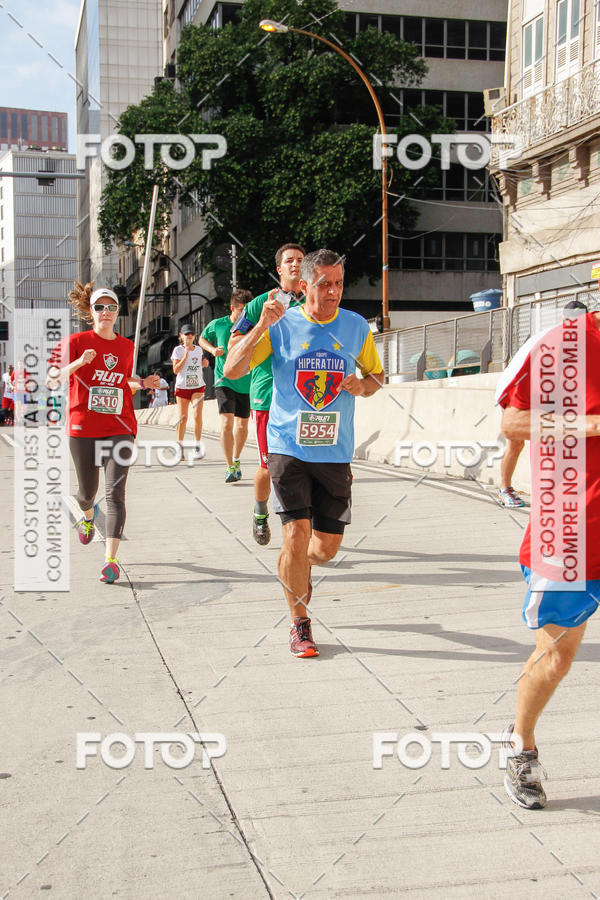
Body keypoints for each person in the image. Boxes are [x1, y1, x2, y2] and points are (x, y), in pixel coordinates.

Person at [224, 249, 384, 657]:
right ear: (304, 285)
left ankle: (301, 566)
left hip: (334, 451)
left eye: (339, 283)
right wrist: (260, 323)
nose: (333, 292)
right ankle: (299, 623)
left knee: (324, 549)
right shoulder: (281, 324)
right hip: (287, 446)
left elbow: (376, 378)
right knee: (294, 534)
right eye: (324, 284)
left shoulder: (355, 327)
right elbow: (231, 370)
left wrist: (360, 386)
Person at [497, 304, 600, 809]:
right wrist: (591, 425)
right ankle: (521, 744)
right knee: (556, 658)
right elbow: (513, 423)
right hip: (573, 537)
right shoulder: (563, 343)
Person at [48, 282, 160, 583]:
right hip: (83, 427)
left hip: (119, 428)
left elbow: (123, 381)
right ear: (91, 311)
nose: (106, 312)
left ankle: (110, 559)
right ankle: (86, 517)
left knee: (115, 493)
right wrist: (78, 362)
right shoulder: (75, 341)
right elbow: (52, 379)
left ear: (118, 312)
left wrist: (143, 383)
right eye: (100, 307)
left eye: (111, 307)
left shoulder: (126, 346)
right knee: (87, 494)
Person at [229, 243, 305, 544]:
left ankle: (301, 528)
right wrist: (262, 323)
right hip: (267, 396)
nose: (295, 265)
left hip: (304, 397)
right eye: (289, 260)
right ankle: (260, 512)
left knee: (304, 465)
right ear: (279, 269)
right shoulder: (259, 303)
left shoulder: (312, 302)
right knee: (268, 466)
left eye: (300, 260)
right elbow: (234, 347)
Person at [200, 290, 252, 483]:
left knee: (242, 424)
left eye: (248, 310)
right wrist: (213, 350)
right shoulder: (219, 324)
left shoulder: (251, 326)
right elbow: (201, 339)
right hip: (224, 379)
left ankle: (237, 459)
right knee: (227, 422)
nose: (245, 314)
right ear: (233, 308)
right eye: (242, 310)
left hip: (246, 381)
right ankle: (229, 466)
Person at [171, 324, 207, 460]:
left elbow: (201, 361)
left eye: (191, 334)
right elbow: (175, 370)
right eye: (186, 334)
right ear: (181, 336)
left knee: (197, 415)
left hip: (197, 386)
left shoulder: (198, 349)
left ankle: (197, 446)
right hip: (182, 387)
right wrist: (185, 356)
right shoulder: (178, 350)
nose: (189, 337)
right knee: (183, 418)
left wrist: (204, 362)